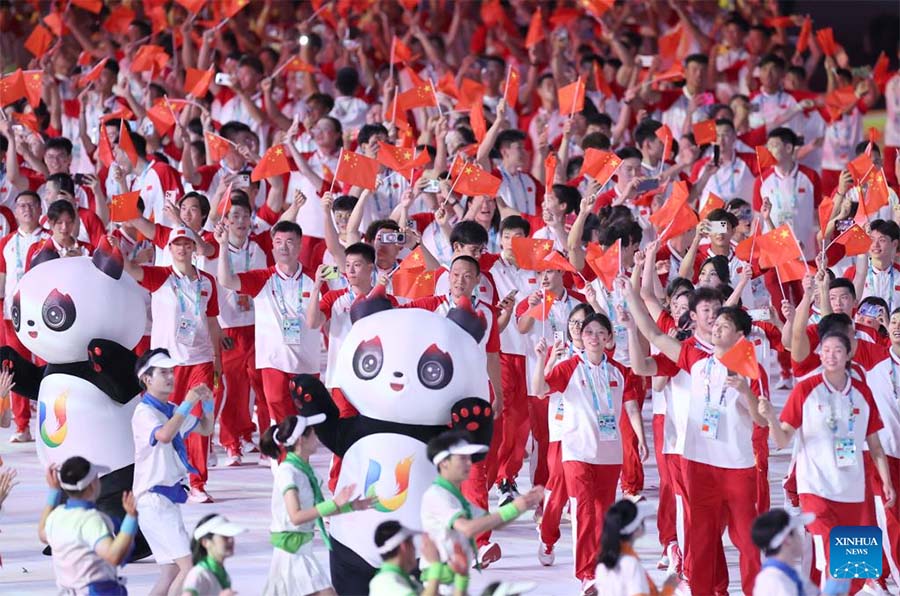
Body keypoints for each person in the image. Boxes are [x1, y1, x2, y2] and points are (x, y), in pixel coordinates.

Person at [760, 331, 896, 591]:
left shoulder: (862, 392)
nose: (831, 355)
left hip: (854, 491)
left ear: (848, 356)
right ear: (819, 354)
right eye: (826, 350)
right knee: (832, 561)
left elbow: (875, 445)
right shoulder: (806, 390)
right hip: (817, 489)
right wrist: (770, 419)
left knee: (856, 570)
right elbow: (782, 439)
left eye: (837, 350)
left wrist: (886, 482)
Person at [532, 312, 648, 593]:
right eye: (588, 333)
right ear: (581, 338)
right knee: (583, 510)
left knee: (602, 514)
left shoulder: (620, 372)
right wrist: (540, 359)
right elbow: (539, 390)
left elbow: (631, 406)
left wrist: (641, 438)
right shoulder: (569, 367)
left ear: (609, 338)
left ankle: (595, 563)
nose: (594, 338)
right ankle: (586, 573)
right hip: (576, 451)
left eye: (600, 333)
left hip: (609, 454)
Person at [122, 226, 222, 502]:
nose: (181, 248)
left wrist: (217, 360)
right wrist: (121, 247)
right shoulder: (161, 277)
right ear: (169, 249)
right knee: (171, 420)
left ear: (193, 248)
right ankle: (170, 475)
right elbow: (130, 269)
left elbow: (213, 323)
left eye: (186, 244)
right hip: (169, 362)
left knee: (198, 416)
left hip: (200, 359)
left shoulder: (208, 282)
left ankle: (198, 481)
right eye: (176, 244)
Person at [217, 220, 320, 436]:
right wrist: (223, 246)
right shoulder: (262, 278)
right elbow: (226, 280)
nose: (283, 247)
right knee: (277, 408)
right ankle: (281, 458)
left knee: (304, 423)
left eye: (290, 242)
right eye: (278, 242)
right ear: (272, 246)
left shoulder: (315, 279)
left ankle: (298, 462)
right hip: (273, 360)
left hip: (307, 362)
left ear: (300, 245)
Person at [260, 413, 374, 596]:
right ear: (300, 441)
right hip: (291, 552)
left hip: (301, 549)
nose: (316, 437)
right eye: (312, 433)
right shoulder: (288, 472)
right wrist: (335, 503)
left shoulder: (304, 470)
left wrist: (352, 506)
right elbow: (295, 516)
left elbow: (318, 508)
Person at [131, 348, 215, 596]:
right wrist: (188, 402)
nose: (170, 377)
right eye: (163, 372)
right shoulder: (144, 412)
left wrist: (207, 403)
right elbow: (165, 435)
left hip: (163, 500)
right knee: (188, 568)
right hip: (154, 500)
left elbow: (206, 428)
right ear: (147, 379)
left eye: (171, 372)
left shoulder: (172, 409)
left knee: (170, 572)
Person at [421, 430, 543, 592]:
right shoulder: (438, 495)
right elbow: (468, 528)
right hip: (438, 584)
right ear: (444, 463)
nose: (469, 464)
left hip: (454, 580)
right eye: (462, 459)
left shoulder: (456, 496)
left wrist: (524, 505)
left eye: (469, 459)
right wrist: (516, 507)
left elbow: (492, 522)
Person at [38, 456, 138, 596]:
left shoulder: (56, 516)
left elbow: (42, 533)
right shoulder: (91, 520)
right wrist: (131, 519)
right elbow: (113, 555)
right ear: (92, 485)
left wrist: (54, 492)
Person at [595, 499, 679, 595]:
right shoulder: (630, 564)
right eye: (642, 521)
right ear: (637, 529)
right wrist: (669, 589)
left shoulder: (603, 564)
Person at [369, 521, 468, 596]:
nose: (416, 548)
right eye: (412, 543)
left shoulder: (408, 582)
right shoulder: (383, 582)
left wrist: (461, 577)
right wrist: (435, 564)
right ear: (404, 546)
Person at [750, 508, 817, 595]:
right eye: (797, 533)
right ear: (787, 539)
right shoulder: (774, 580)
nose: (801, 538)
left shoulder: (791, 574)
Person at [181, 514, 246, 596]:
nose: (231, 540)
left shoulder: (221, 572)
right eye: (224, 537)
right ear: (205, 542)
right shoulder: (199, 574)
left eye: (231, 536)